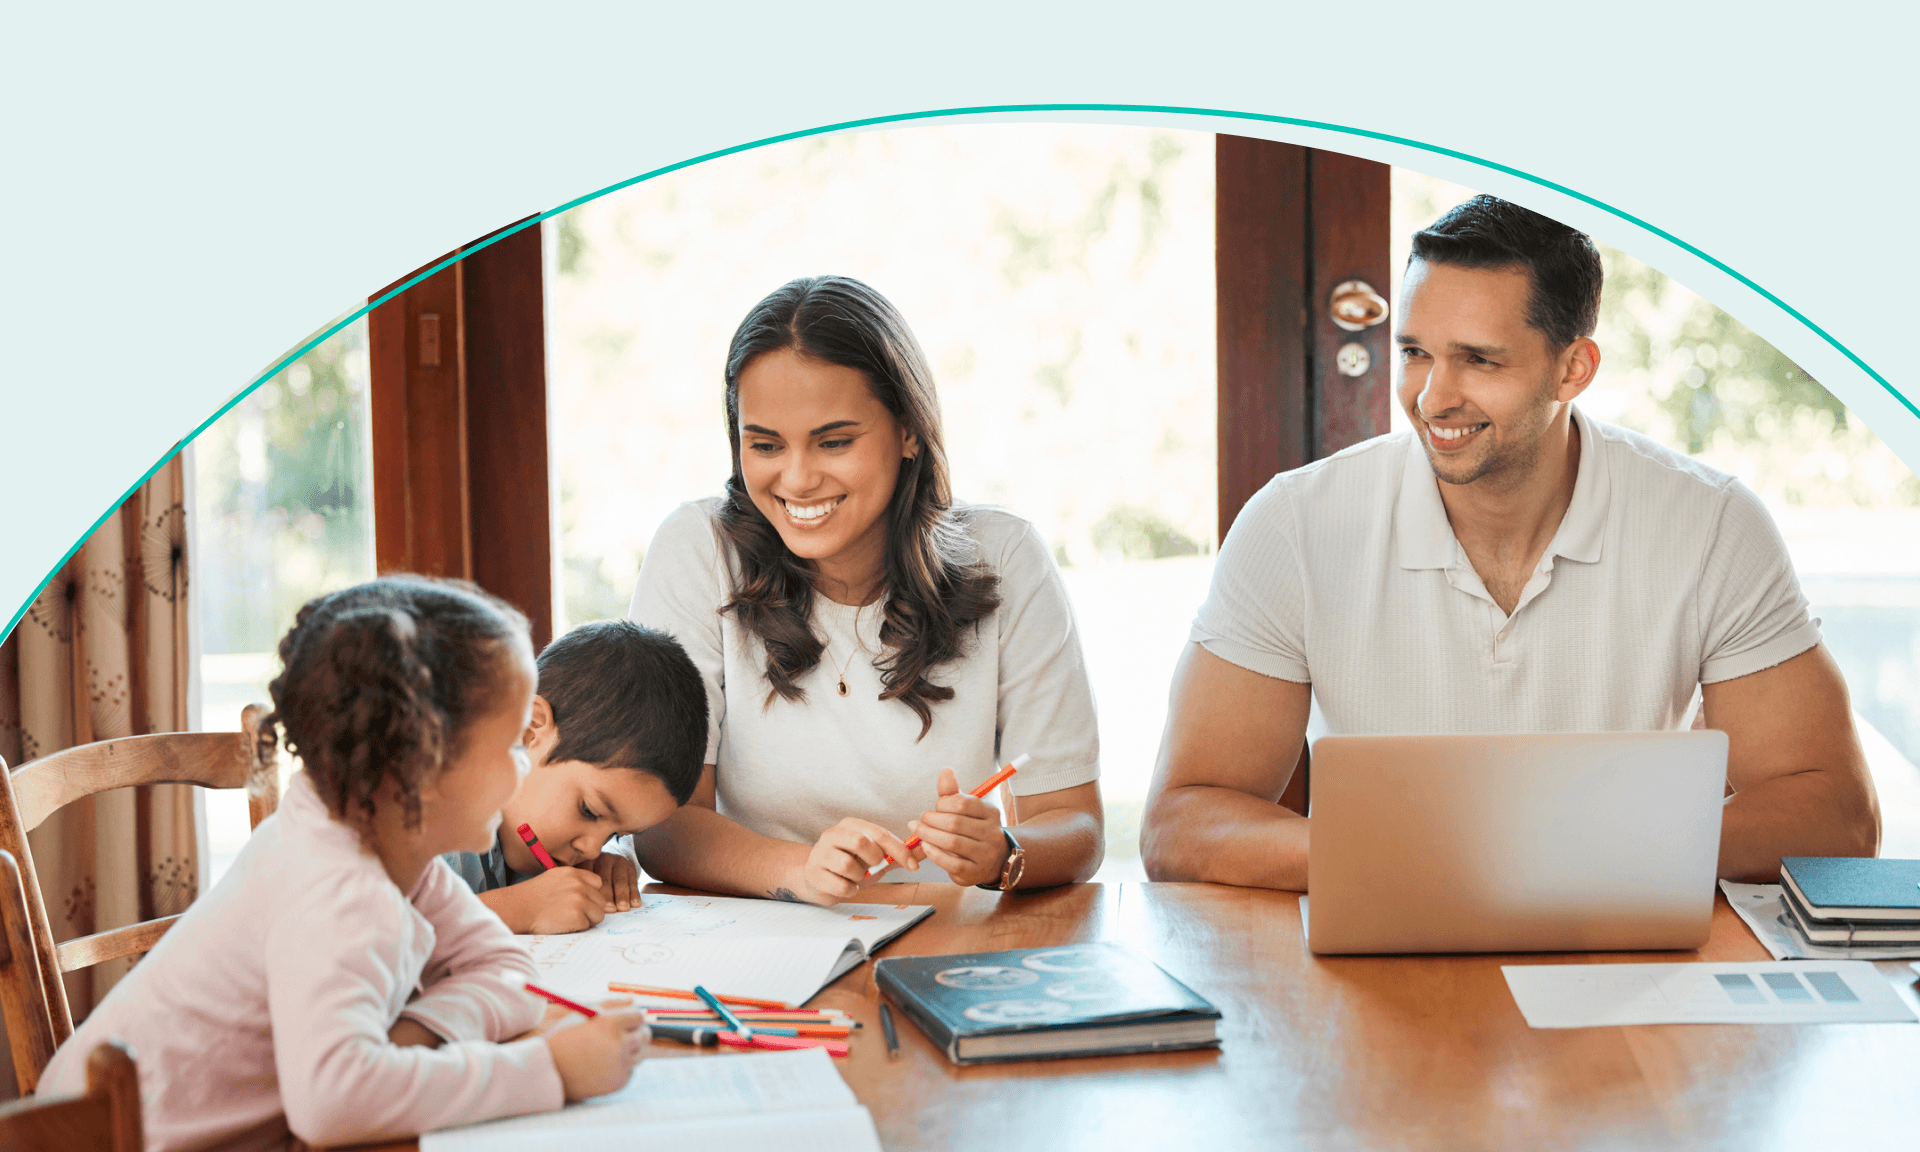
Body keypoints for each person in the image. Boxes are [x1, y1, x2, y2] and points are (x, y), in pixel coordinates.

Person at [1142, 195, 1880, 892]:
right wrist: (1414, 861)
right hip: (1384, 941)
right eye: (1415, 353)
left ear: (1573, 369)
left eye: (1479, 360)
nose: (1432, 397)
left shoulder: (1710, 523)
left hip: (1616, 958)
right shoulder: (1294, 524)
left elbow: (1837, 814)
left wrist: (1583, 858)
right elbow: (1181, 822)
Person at [38, 576, 649, 1151]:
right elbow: (334, 1106)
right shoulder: (339, 888)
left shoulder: (389, 846)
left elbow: (509, 970)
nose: (523, 767)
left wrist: (412, 1037)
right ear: (421, 769)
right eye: (509, 745)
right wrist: (551, 1071)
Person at [628, 275, 1103, 904]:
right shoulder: (698, 550)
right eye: (765, 445)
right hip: (752, 935)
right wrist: (803, 871)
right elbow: (662, 826)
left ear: (908, 430)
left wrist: (1003, 854)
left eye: (834, 441)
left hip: (943, 943)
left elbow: (1076, 823)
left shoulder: (1006, 559)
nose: (796, 479)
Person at [442, 619, 708, 933]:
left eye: (616, 834)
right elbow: (382, 930)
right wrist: (518, 909)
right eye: (589, 811)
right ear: (529, 731)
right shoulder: (423, 805)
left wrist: (608, 861)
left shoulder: (527, 834)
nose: (591, 849)